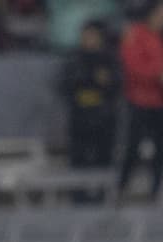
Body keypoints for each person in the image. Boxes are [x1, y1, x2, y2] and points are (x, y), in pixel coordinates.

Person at [59, 20, 119, 172]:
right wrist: (91, 78)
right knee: (78, 159)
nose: (89, 39)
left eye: (93, 36)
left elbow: (119, 83)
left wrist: (108, 81)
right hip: (80, 115)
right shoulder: (74, 58)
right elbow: (64, 84)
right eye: (86, 36)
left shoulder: (110, 58)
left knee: (104, 158)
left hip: (104, 115)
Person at [118, 2, 163, 201]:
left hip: (159, 101)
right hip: (139, 99)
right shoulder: (135, 33)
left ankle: (155, 191)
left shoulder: (159, 36)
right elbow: (132, 65)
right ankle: (122, 187)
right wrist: (157, 75)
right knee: (133, 145)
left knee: (160, 148)